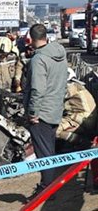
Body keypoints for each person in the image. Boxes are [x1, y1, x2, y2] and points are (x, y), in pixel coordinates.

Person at [23, 23, 68, 191]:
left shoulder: (39, 60)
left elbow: (37, 89)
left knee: (44, 154)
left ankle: (47, 188)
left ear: (31, 38)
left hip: (41, 113)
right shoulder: (60, 54)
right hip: (55, 109)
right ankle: (49, 185)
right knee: (49, 149)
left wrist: (33, 112)